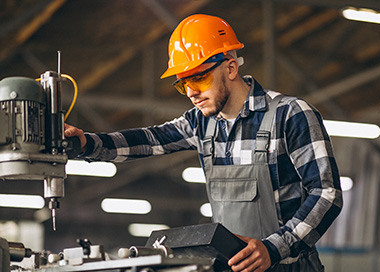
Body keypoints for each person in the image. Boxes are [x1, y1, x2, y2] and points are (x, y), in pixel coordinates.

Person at [65, 14, 342, 272]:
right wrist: (88, 143)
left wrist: (273, 248)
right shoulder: (201, 123)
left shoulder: (289, 114)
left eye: (199, 77)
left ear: (231, 67)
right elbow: (149, 139)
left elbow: (327, 194)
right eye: (183, 83)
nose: (191, 92)